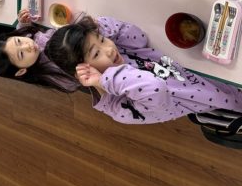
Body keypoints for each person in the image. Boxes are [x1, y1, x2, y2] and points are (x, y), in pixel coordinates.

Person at [44, 15, 242, 124]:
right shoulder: (120, 109)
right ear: (83, 72)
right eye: (96, 53)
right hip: (228, 97)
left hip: (209, 71)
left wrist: (99, 27)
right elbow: (154, 88)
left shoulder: (116, 56)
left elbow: (138, 37)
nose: (109, 48)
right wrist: (104, 80)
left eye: (102, 39)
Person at [0, 9, 80, 93]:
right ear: (21, 71)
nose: (27, 46)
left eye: (18, 41)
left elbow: (21, 31)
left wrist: (23, 23)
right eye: (21, 54)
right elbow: (72, 83)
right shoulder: (50, 72)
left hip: (68, 23)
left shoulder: (22, 39)